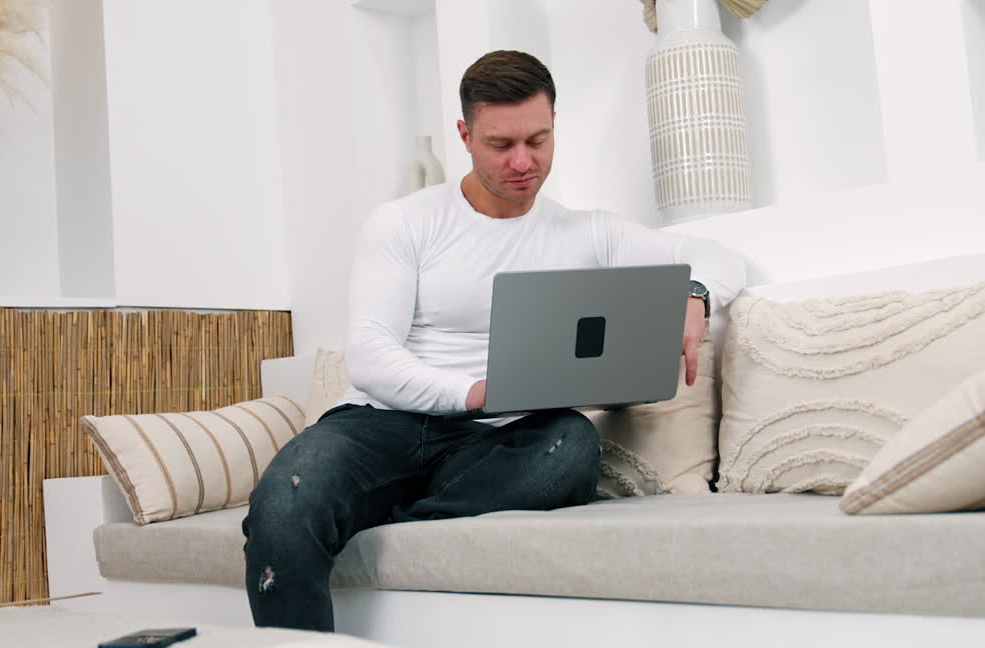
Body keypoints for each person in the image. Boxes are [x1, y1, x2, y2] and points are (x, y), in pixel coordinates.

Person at [242, 50, 746, 632]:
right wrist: (480, 391)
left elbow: (719, 253)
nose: (523, 162)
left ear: (555, 124)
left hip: (502, 444)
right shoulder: (405, 222)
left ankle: (388, 513)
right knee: (284, 501)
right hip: (381, 424)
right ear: (465, 134)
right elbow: (371, 355)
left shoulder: (590, 233)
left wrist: (696, 294)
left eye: (538, 139)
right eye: (500, 144)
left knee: (572, 445)